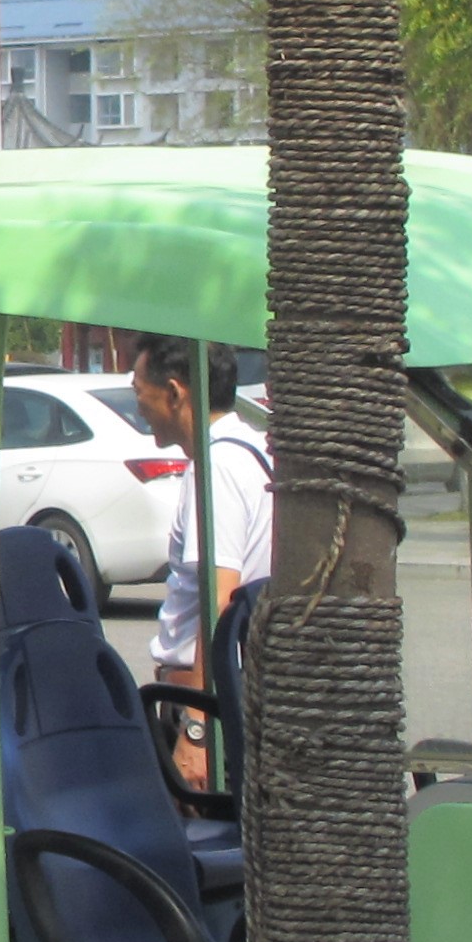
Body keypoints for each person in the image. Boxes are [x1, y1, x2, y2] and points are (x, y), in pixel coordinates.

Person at [129, 338, 273, 790]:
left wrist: (196, 732)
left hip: (207, 701)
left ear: (175, 393)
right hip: (235, 694)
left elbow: (219, 601)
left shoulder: (217, 470)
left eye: (139, 393)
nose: (139, 409)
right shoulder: (253, 449)